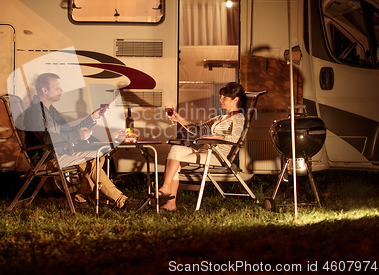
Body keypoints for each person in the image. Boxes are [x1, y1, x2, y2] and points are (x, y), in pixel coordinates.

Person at [23, 72, 148, 211]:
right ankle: (122, 201)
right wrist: (77, 136)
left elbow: (69, 130)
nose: (61, 90)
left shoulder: (49, 110)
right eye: (57, 87)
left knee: (99, 155)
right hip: (45, 160)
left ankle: (81, 199)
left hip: (57, 154)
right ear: (44, 90)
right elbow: (46, 139)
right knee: (94, 159)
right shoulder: (34, 111)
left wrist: (92, 118)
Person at [155, 82, 247, 211]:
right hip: (205, 152)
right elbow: (198, 130)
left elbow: (234, 138)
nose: (221, 100)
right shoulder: (220, 118)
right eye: (221, 97)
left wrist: (216, 137)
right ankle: (169, 198)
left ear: (235, 99)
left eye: (224, 97)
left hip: (218, 156)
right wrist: (178, 118)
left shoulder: (238, 117)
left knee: (175, 158)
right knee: (175, 150)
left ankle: (167, 192)